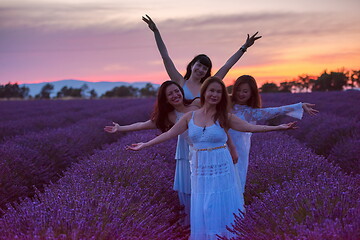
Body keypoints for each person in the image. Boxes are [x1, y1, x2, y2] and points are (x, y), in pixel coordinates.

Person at [127, 76, 296, 239]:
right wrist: (145, 144)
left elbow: (248, 127)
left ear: (222, 96)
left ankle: (223, 236)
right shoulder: (190, 116)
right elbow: (170, 133)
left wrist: (279, 127)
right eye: (211, 91)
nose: (214, 94)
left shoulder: (224, 117)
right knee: (203, 203)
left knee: (220, 201)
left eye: (218, 92)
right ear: (204, 92)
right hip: (200, 167)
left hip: (221, 165)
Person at [104, 80, 237, 226]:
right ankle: (196, 223)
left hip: (213, 153)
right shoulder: (169, 116)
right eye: (170, 94)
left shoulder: (197, 104)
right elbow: (142, 125)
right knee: (191, 189)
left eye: (176, 91)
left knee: (214, 188)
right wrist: (120, 128)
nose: (175, 95)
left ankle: (217, 222)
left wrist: (232, 148)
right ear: (165, 99)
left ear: (181, 91)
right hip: (191, 155)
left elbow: (221, 126)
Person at [229, 75, 319, 194]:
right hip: (221, 148)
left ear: (252, 93)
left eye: (245, 91)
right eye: (238, 90)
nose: (241, 94)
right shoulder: (226, 105)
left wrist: (299, 106)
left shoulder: (251, 113)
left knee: (235, 183)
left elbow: (273, 111)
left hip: (239, 152)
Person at [142, 14, 261, 100]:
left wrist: (244, 47)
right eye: (199, 65)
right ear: (192, 65)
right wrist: (156, 32)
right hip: (183, 130)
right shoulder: (180, 81)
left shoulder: (208, 85)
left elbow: (227, 66)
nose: (201, 70)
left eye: (205, 68)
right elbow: (165, 57)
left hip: (204, 130)